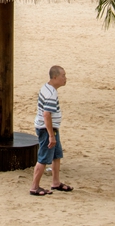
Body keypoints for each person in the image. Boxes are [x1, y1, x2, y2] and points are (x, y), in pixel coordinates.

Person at [31, 65, 71, 196]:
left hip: (50, 128)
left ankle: (56, 182)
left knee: (56, 155)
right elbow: (46, 115)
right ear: (55, 77)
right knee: (43, 157)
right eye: (63, 76)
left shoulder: (47, 88)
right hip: (47, 129)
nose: (65, 78)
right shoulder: (51, 94)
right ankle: (34, 187)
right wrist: (51, 136)